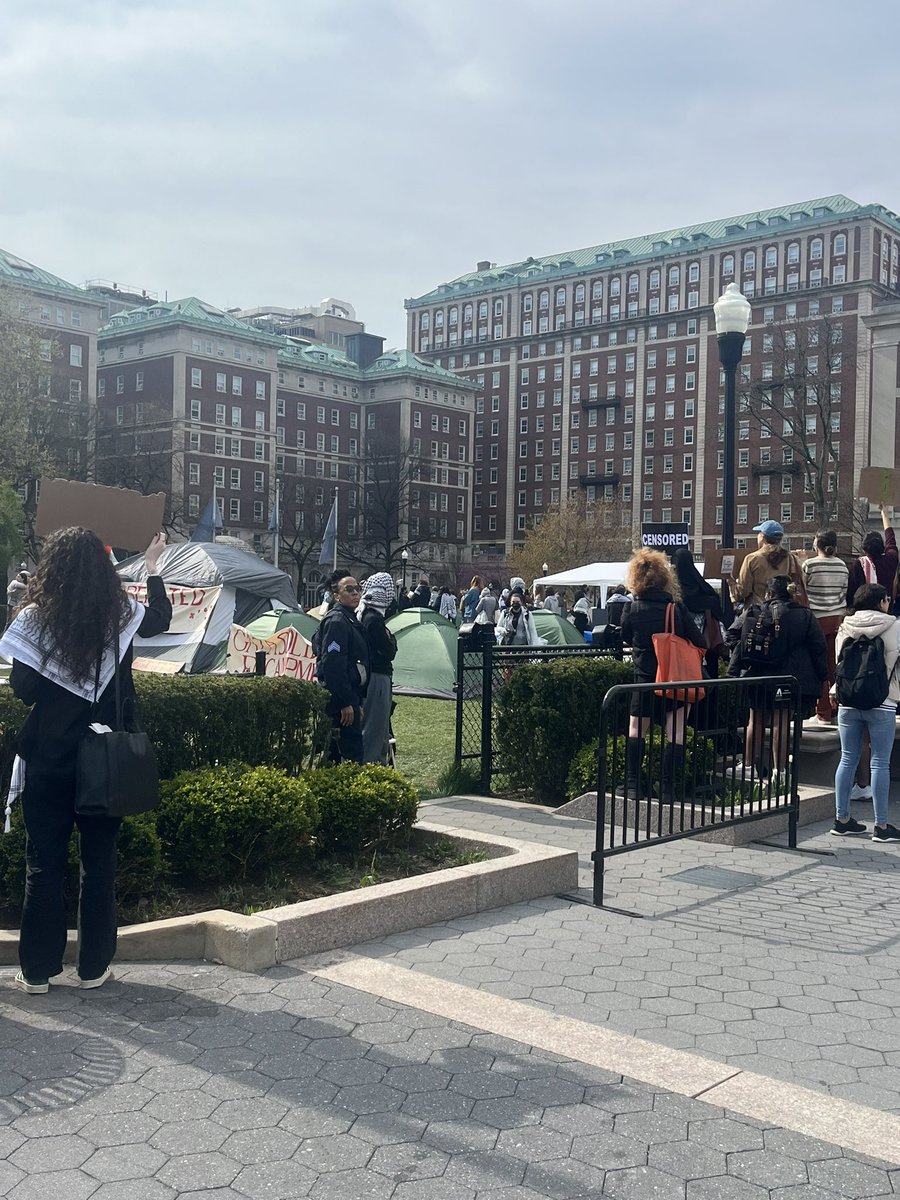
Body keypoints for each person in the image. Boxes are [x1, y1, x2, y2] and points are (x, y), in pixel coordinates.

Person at [0, 528, 172, 994]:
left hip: (49, 756)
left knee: (44, 863)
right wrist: (153, 566)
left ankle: (37, 972)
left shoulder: (35, 618)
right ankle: (93, 968)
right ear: (103, 567)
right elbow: (159, 618)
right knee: (98, 865)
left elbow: (24, 690)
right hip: (104, 759)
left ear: (50, 568)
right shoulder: (121, 614)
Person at [620, 550, 706, 802]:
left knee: (636, 729)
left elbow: (625, 636)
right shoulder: (675, 609)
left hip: (644, 677)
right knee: (676, 733)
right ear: (665, 578)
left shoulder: (632, 608)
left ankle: (633, 785)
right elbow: (699, 640)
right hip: (675, 678)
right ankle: (668, 790)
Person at [727, 575, 826, 785]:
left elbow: (731, 635)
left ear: (769, 593)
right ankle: (779, 772)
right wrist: (822, 676)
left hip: (759, 674)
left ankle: (747, 766)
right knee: (781, 723)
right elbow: (819, 647)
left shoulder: (754, 611)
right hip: (789, 677)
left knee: (755, 720)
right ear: (791, 593)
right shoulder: (804, 615)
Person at [831, 583, 900, 842]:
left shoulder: (845, 626)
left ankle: (842, 819)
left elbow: (839, 658)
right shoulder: (895, 626)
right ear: (882, 601)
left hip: (848, 699)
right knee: (880, 762)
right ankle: (881, 826)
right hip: (882, 700)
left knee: (847, 757)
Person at [315, 575, 370, 764]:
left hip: (351, 696)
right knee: (349, 755)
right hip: (340, 701)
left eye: (357, 588)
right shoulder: (337, 622)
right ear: (337, 596)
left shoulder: (350, 619)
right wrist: (345, 702)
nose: (355, 593)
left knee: (343, 754)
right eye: (349, 589)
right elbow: (333, 666)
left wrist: (356, 702)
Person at [801, 529, 849, 726]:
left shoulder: (809, 565)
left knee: (817, 666)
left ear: (816, 545)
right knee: (834, 665)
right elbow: (843, 593)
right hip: (837, 618)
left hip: (816, 619)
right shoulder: (843, 566)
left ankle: (822, 711)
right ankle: (836, 705)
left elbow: (802, 591)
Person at [357, 573, 397, 765]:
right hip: (377, 677)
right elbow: (388, 650)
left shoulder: (364, 615)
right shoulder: (374, 620)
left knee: (376, 724)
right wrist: (391, 639)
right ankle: (373, 764)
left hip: (372, 675)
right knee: (375, 724)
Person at [673, 548, 726, 673]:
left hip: (680, 648)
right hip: (707, 650)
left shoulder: (674, 594)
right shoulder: (706, 591)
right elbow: (720, 618)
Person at [737, 520, 805, 606]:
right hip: (784, 610)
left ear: (762, 537)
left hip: (758, 611)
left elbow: (743, 591)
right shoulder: (791, 558)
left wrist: (731, 583)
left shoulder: (752, 559)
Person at [848, 504, 897, 602]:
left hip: (864, 613)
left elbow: (851, 593)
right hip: (886, 612)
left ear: (864, 549)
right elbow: (890, 539)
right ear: (882, 546)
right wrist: (884, 514)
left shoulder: (859, 564)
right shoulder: (891, 560)